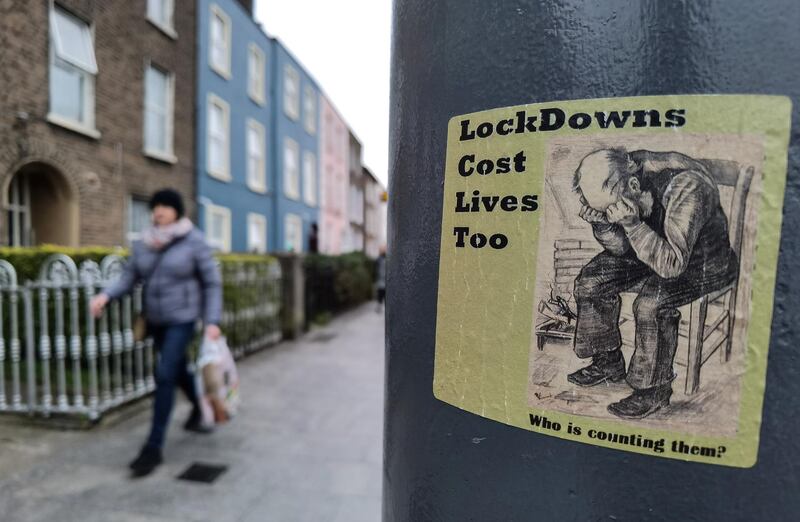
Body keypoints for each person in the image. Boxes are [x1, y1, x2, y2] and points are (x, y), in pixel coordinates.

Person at [569, 148, 738, 419]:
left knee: (649, 304)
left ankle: (654, 390)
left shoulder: (687, 187)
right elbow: (622, 249)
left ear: (634, 185)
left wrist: (633, 226)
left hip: (701, 261)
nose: (611, 214)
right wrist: (605, 225)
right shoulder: (624, 173)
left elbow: (671, 265)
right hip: (649, 248)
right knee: (590, 282)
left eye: (610, 209)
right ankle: (607, 361)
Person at [90, 188, 222, 477]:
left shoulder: (194, 241)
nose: (158, 211)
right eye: (155, 206)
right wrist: (106, 296)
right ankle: (200, 410)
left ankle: (154, 446)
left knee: (163, 374)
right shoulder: (145, 243)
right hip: (156, 319)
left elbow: (212, 283)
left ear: (177, 210)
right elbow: (129, 277)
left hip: (183, 319)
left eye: (165, 206)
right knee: (176, 369)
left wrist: (212, 321)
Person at [375, 246, 386, 312]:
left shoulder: (386, 259)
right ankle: (379, 306)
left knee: (383, 294)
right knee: (380, 294)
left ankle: (381, 307)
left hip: (384, 281)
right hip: (381, 280)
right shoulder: (378, 259)